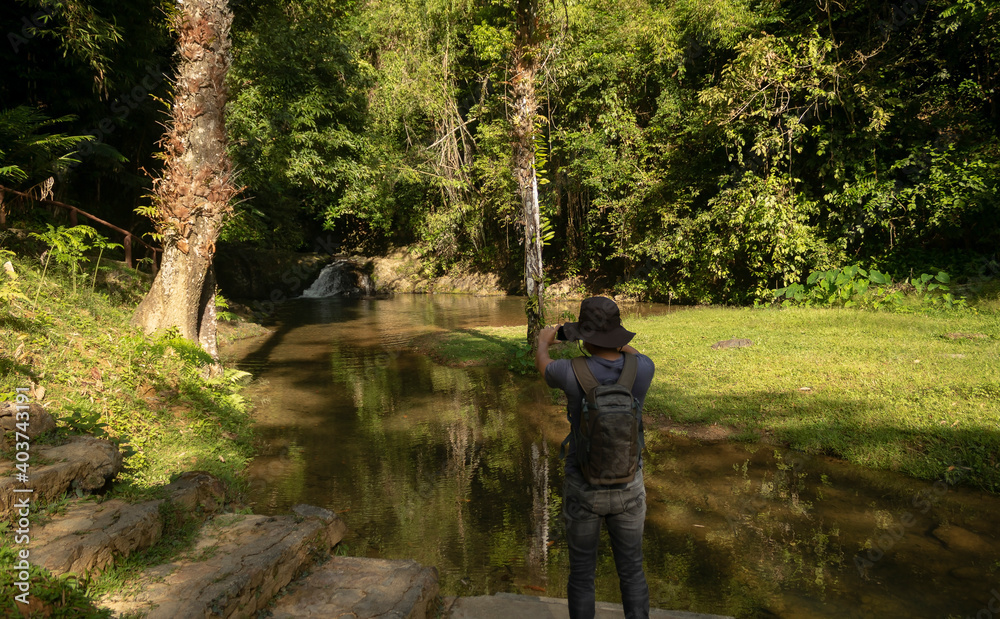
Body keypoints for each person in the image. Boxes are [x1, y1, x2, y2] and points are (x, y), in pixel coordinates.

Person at [536, 296, 655, 619]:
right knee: (632, 571)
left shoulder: (567, 371)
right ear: (616, 334)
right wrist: (612, 342)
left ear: (584, 337)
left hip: (583, 487)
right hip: (629, 485)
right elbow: (634, 353)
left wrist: (545, 342)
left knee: (582, 575)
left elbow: (544, 366)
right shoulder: (643, 369)